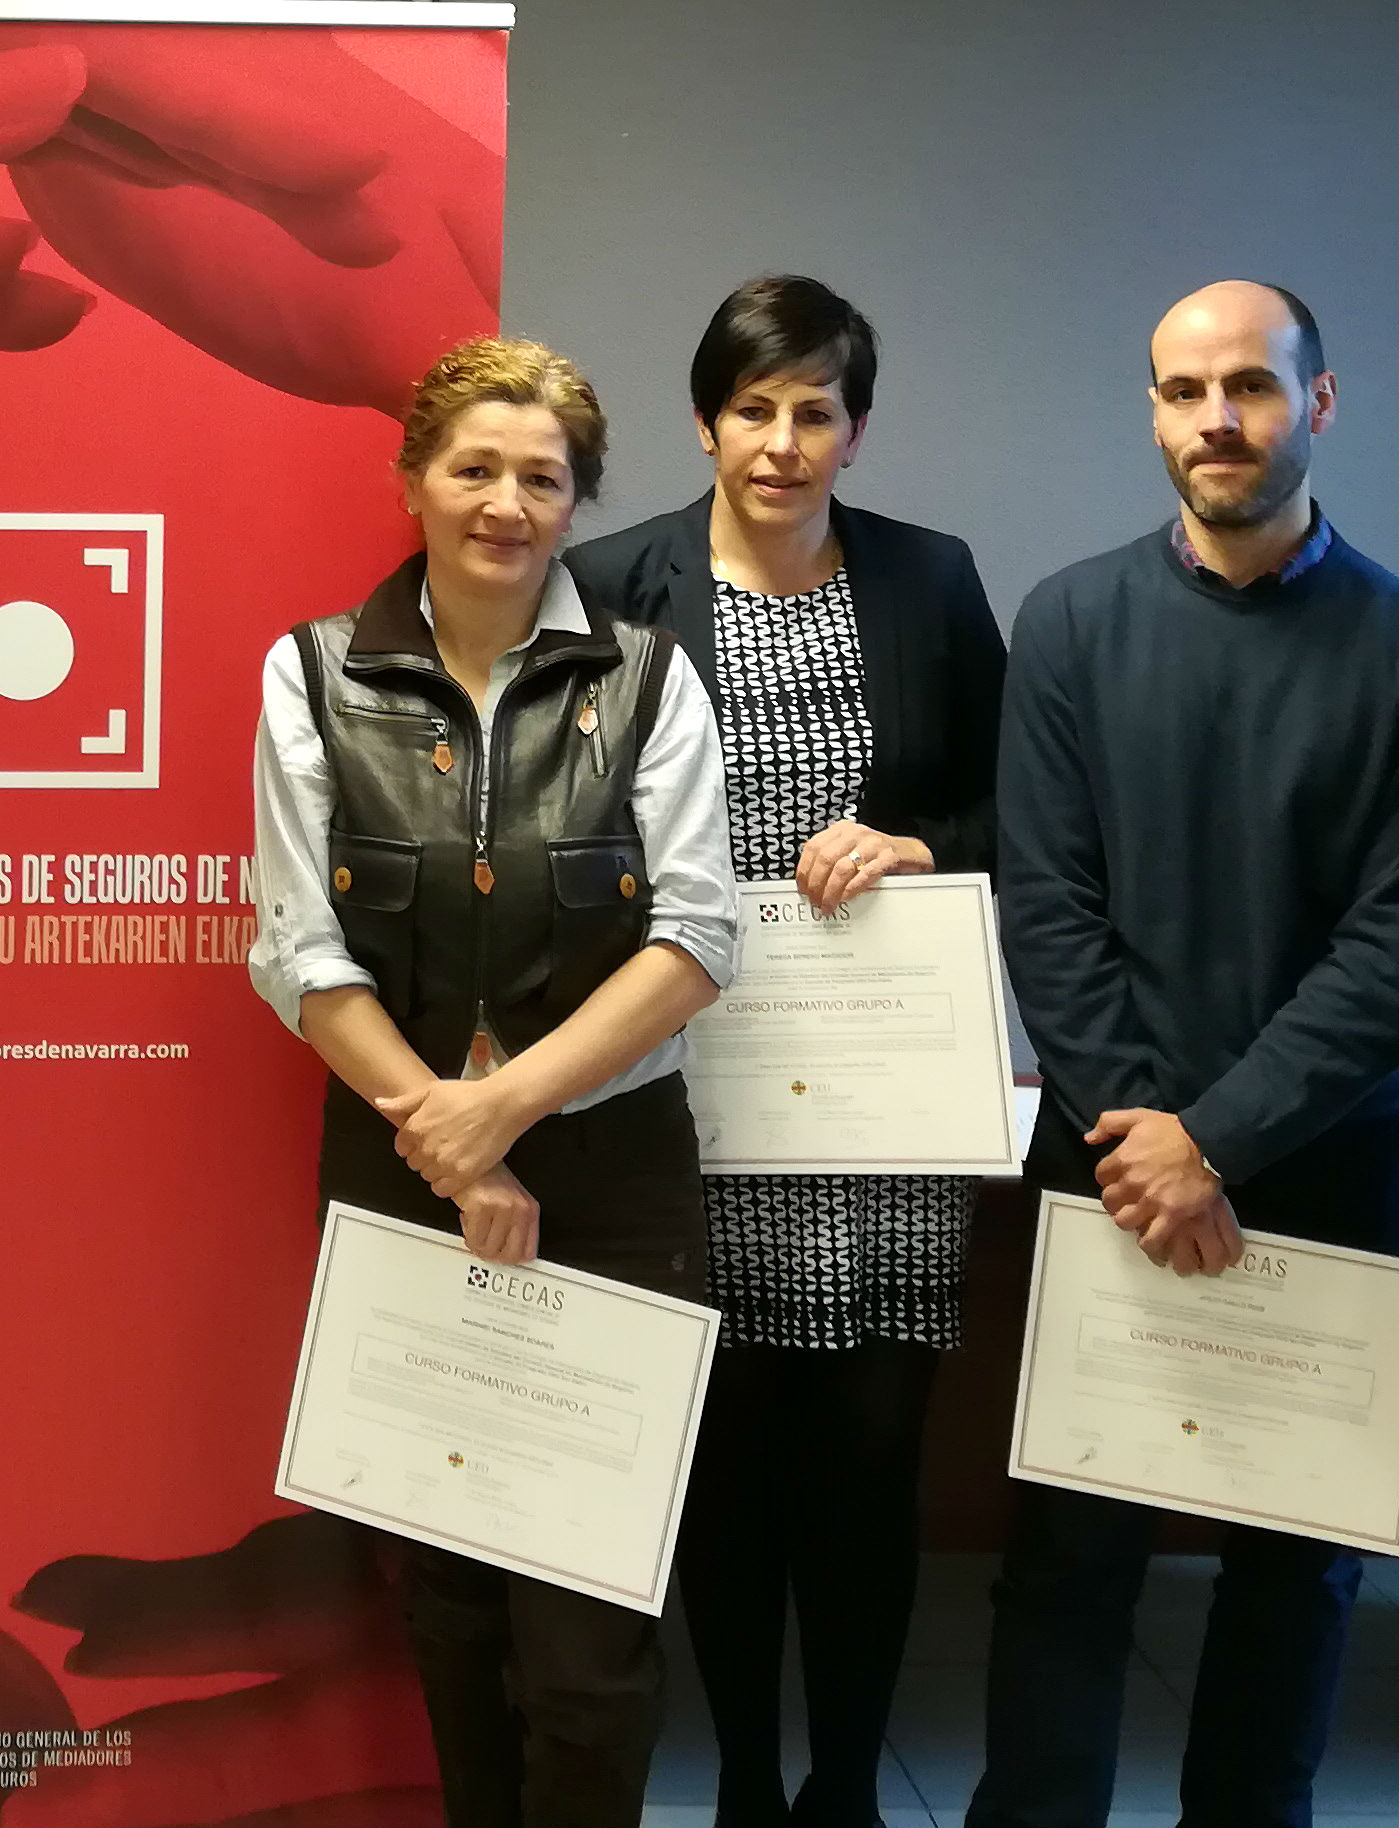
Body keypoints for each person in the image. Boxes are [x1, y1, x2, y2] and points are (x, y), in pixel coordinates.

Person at [973, 281, 1399, 1828]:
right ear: (1153, 413)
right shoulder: (1069, 622)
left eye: (1251, 386)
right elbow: (1048, 902)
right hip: (1111, 1164)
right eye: (1184, 391)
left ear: (1317, 404)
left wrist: (1218, 1140)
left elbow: (1395, 948)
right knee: (1068, 1556)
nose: (1217, 419)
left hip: (1325, 1168)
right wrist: (1149, 1137)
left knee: (1295, 1566)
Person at [246, 333, 739, 1828]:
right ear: (413, 480)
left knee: (590, 1639)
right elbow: (296, 949)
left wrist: (498, 1115)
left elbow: (696, 938)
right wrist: (450, 1143)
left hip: (611, 1176)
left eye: (544, 478)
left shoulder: (651, 678)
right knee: (452, 1602)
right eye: (475, 469)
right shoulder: (313, 673)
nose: (506, 505)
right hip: (400, 1166)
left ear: (580, 501)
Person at [563, 275, 1001, 1828]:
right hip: (692, 1097)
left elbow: (1016, 803)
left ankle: (847, 1789)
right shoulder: (612, 586)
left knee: (870, 1470)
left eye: (817, 412)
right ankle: (748, 1777)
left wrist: (920, 843)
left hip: (882, 1112)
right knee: (726, 1469)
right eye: (754, 408)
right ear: (706, 420)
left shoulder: (930, 580)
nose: (783, 442)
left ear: (856, 432)